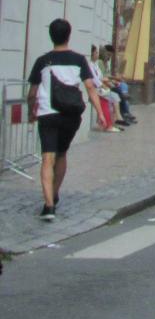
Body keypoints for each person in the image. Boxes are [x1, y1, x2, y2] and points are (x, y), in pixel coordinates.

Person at [27, 18, 103, 220]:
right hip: (71, 115)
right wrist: (101, 113)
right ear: (69, 35)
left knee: (47, 157)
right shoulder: (79, 60)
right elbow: (90, 87)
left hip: (48, 114)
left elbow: (32, 93)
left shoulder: (42, 61)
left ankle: (49, 206)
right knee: (61, 154)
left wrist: (31, 111)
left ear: (51, 36)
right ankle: (54, 192)